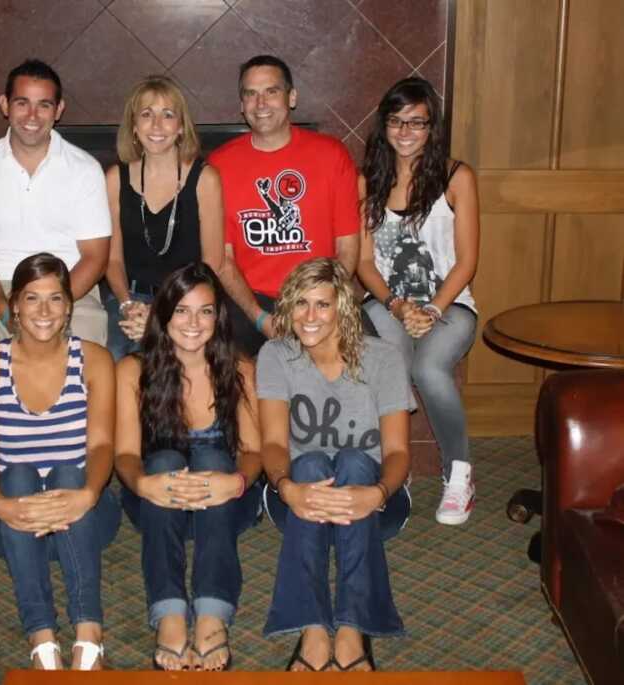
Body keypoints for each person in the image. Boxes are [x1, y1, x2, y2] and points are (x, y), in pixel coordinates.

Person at [0, 59, 112, 511]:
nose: (32, 115)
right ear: (5, 105)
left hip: (69, 286)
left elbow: (95, 257)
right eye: (22, 102)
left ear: (59, 110)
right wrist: (9, 312)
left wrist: (54, 306)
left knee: (85, 370)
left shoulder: (82, 169)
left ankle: (76, 470)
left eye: (44, 105)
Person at [0, 252, 120, 671]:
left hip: (85, 517)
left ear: (70, 305)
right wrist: (0, 504)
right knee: (16, 475)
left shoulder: (94, 359)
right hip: (11, 520)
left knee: (70, 471)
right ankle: (43, 641)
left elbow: (102, 446)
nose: (44, 311)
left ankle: (89, 638)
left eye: (55, 299)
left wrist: (88, 494)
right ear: (14, 304)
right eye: (33, 299)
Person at [258, 258, 414, 672]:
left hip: (377, 500)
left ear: (342, 307)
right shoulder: (275, 355)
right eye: (301, 304)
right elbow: (272, 443)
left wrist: (377, 493)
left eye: (322, 305)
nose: (310, 317)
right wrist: (286, 486)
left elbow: (397, 453)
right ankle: (313, 630)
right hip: (296, 498)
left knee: (353, 460)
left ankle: (349, 631)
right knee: (308, 462)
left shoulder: (382, 357)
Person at [115, 262, 262, 671]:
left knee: (215, 459)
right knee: (161, 460)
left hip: (226, 504)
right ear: (163, 314)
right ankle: (170, 615)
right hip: (159, 505)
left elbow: (254, 451)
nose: (194, 322)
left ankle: (213, 615)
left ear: (219, 316)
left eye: (206, 311)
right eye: (181, 310)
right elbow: (125, 455)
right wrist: (143, 484)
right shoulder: (133, 370)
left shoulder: (240, 368)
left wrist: (236, 480)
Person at [357, 77, 479, 525]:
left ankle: (459, 474)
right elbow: (364, 263)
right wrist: (396, 306)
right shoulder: (367, 180)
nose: (405, 132)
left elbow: (466, 261)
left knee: (427, 368)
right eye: (396, 121)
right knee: (390, 362)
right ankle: (395, 468)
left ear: (432, 127)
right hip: (386, 303)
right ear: (384, 125)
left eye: (417, 122)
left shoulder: (456, 177)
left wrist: (430, 309)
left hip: (450, 304)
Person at [208, 55, 361, 357]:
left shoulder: (331, 155)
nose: (260, 103)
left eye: (271, 91)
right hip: (251, 300)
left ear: (291, 98)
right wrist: (260, 318)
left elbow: (347, 247)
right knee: (220, 365)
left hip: (319, 293)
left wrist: (319, 306)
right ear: (241, 105)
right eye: (251, 94)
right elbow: (221, 259)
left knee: (370, 363)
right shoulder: (219, 165)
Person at [104, 76, 224, 360]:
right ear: (134, 126)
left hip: (188, 300)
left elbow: (213, 263)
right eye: (147, 114)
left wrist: (166, 313)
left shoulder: (205, 179)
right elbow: (112, 260)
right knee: (117, 358)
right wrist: (127, 305)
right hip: (130, 300)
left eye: (167, 115)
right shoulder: (114, 179)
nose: (156, 125)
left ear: (181, 127)